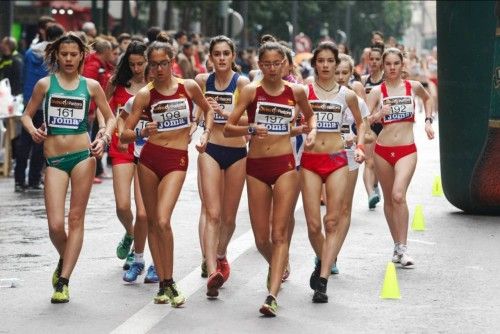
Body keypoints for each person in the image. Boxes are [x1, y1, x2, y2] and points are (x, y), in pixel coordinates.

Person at [20, 33, 115, 303]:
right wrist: (33, 131)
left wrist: (103, 138)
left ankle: (63, 281)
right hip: (55, 161)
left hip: (83, 157)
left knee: (75, 220)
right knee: (54, 225)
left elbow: (110, 119)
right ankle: (66, 258)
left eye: (74, 54)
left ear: (82, 56)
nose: (69, 59)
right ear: (56, 56)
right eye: (64, 54)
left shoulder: (92, 86)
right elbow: (26, 115)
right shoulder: (44, 84)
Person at [224, 41, 316, 317]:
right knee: (261, 238)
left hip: (286, 165)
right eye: (267, 63)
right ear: (260, 65)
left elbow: (311, 119)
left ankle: (272, 295)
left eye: (278, 63)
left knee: (278, 233)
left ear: (287, 65)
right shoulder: (251, 91)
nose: (273, 68)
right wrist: (250, 128)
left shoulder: (296, 91)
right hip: (256, 166)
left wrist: (309, 133)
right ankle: (278, 264)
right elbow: (229, 128)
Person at [121, 39, 214, 307]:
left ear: (172, 61)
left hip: (176, 158)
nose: (159, 69)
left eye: (164, 63)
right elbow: (124, 134)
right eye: (154, 64)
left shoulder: (189, 87)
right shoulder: (145, 95)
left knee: (162, 220)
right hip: (149, 159)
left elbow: (207, 111)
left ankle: (171, 281)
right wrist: (141, 131)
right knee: (151, 222)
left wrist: (204, 132)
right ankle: (162, 284)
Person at [302, 42, 365, 303]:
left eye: (330, 61)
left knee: (331, 222)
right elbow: (294, 119)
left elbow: (361, 125)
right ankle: (322, 260)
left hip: (338, 158)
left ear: (335, 63)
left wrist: (359, 146)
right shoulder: (303, 92)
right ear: (315, 64)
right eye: (321, 61)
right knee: (314, 225)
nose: (326, 65)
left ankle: (323, 280)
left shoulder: (347, 95)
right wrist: (300, 130)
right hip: (310, 159)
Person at [366, 47, 434, 267]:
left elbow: (428, 98)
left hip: (406, 149)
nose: (392, 68)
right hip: (383, 150)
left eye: (396, 63)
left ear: (402, 64)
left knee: (398, 195)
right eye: (388, 64)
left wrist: (428, 121)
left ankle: (403, 248)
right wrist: (378, 114)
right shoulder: (377, 91)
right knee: (388, 199)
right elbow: (365, 120)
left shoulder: (412, 87)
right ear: (383, 66)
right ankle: (396, 245)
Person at [194, 35, 250, 297]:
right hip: (211, 150)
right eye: (217, 53)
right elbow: (195, 112)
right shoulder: (202, 81)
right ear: (210, 57)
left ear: (233, 56)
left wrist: (228, 114)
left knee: (229, 217)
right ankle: (212, 267)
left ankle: (220, 254)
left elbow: (250, 117)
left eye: (226, 53)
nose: (221, 58)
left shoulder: (243, 83)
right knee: (212, 212)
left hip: (237, 151)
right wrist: (195, 127)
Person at [105, 41, 158, 283]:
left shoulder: (155, 87)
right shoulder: (117, 84)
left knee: (145, 212)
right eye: (132, 64)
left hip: (149, 150)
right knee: (123, 205)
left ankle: (140, 258)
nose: (136, 68)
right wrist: (105, 131)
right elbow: (104, 110)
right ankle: (129, 232)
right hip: (122, 146)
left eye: (141, 64)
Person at [14, 24, 65, 192]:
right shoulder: (56, 55)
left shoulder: (29, 52)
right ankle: (35, 179)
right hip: (47, 103)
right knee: (41, 142)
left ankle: (19, 180)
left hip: (30, 99)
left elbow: (24, 75)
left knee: (25, 141)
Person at [333, 53, 370, 274]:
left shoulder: (358, 102)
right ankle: (323, 250)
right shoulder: (321, 97)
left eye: (344, 73)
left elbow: (366, 133)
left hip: (349, 157)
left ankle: (332, 255)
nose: (339, 77)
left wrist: (356, 142)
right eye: (336, 72)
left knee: (344, 208)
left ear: (351, 74)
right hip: (327, 155)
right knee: (331, 210)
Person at [362, 44, 385, 209]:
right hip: (369, 125)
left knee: (377, 163)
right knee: (368, 162)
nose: (374, 62)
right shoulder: (363, 81)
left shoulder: (386, 81)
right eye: (372, 59)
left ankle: (375, 186)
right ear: (368, 61)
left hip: (385, 126)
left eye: (378, 59)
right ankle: (370, 193)